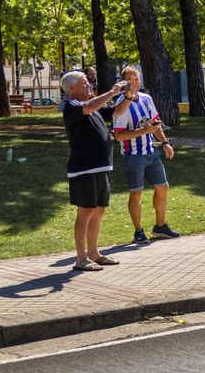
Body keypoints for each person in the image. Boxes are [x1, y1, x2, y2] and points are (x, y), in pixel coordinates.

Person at [62, 70, 133, 271]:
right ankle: (80, 258)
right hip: (84, 169)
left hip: (100, 167)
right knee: (85, 213)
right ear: (72, 88)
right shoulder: (74, 106)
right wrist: (112, 91)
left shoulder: (93, 106)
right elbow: (90, 106)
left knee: (98, 211)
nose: (90, 85)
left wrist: (128, 94)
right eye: (85, 83)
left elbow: (117, 111)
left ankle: (94, 254)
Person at [113, 66, 179, 244]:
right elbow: (118, 135)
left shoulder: (146, 98)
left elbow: (155, 124)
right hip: (132, 155)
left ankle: (160, 225)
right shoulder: (120, 105)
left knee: (163, 187)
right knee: (136, 193)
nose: (135, 81)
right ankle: (138, 231)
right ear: (124, 83)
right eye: (131, 79)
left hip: (151, 152)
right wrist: (143, 130)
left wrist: (165, 143)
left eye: (137, 78)